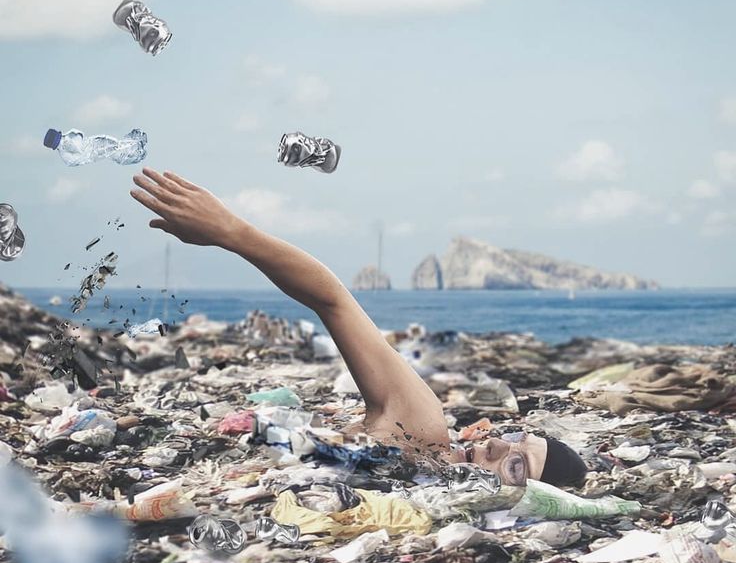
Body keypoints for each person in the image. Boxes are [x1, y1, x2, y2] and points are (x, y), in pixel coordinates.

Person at [130, 168, 587, 488]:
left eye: (517, 467)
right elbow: (333, 299)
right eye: (512, 441)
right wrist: (232, 233)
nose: (493, 449)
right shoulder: (421, 432)